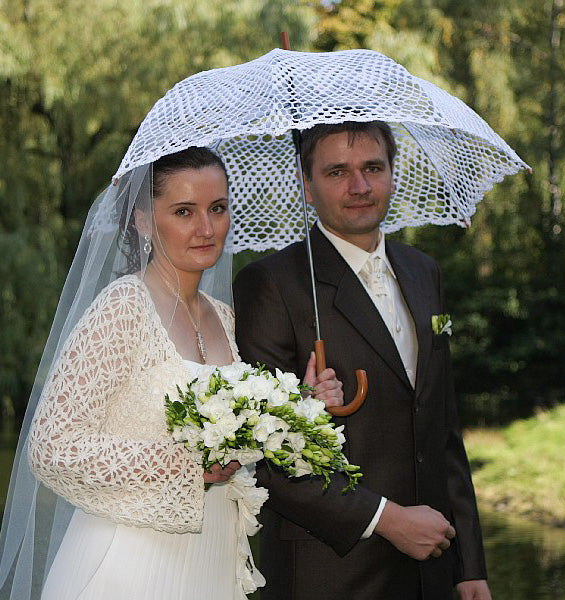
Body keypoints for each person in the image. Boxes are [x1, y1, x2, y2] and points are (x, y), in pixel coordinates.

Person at [0, 146, 342, 600]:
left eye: (217, 209)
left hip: (210, 563)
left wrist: (298, 408)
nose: (206, 228)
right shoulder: (123, 308)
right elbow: (51, 447)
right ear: (143, 219)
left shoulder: (225, 318)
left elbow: (240, 435)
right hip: (129, 564)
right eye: (184, 211)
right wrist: (185, 464)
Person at [233, 121, 492, 600]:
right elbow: (266, 454)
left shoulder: (423, 271)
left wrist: (468, 564)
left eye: (373, 167)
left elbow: (442, 426)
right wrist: (388, 521)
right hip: (330, 571)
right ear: (306, 184)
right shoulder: (271, 284)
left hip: (431, 568)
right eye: (337, 172)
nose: (359, 186)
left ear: (393, 174)